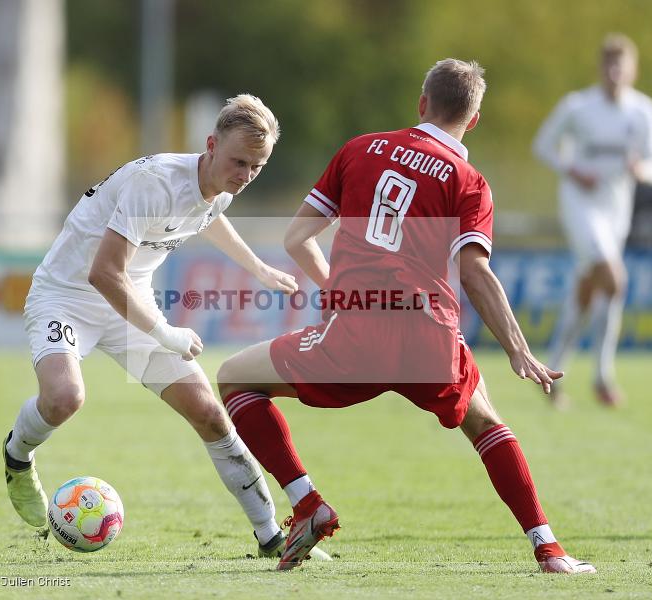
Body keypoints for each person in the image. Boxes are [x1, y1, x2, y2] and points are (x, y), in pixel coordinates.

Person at [216, 59, 596, 574]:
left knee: (234, 379)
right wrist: (518, 348)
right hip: (427, 336)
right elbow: (475, 273)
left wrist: (339, 291)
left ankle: (306, 502)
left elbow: (297, 238)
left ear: (422, 104)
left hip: (355, 334)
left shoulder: (359, 149)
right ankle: (548, 548)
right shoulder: (469, 180)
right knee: (486, 423)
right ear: (473, 120)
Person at [2, 94, 329, 560]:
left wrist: (258, 268)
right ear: (210, 145)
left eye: (257, 167)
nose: (245, 175)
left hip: (130, 302)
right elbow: (103, 273)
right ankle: (17, 456)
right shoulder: (153, 184)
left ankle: (271, 536)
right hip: (67, 297)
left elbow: (210, 217)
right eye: (239, 162)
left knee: (209, 413)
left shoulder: (220, 184)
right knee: (64, 398)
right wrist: (164, 333)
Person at [533, 34, 652, 407]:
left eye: (620, 66)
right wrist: (572, 169)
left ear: (633, 70)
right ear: (600, 68)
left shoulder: (643, 111)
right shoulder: (577, 106)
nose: (614, 73)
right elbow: (542, 145)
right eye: (608, 65)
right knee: (615, 279)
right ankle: (602, 377)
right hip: (580, 206)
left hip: (616, 210)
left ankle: (553, 372)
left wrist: (642, 170)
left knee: (589, 291)